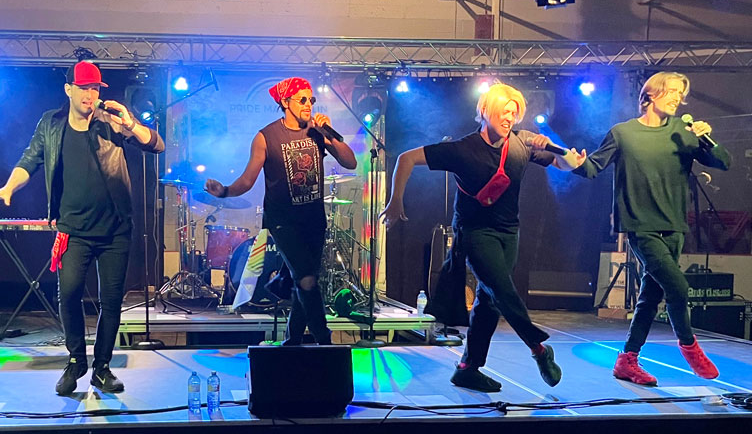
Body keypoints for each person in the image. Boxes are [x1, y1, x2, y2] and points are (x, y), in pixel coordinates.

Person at [380, 83, 585, 393]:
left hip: (509, 232)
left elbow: (565, 165)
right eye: (504, 111)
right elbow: (405, 159)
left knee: (488, 302)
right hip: (474, 232)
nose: (510, 117)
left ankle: (468, 368)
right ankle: (539, 349)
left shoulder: (522, 143)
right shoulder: (463, 149)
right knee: (502, 290)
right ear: (486, 111)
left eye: (514, 113)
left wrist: (563, 153)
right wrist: (396, 200)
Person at [0, 61, 164, 396]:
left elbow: (156, 144)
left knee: (111, 302)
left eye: (95, 88)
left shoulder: (111, 121)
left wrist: (131, 123)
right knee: (70, 294)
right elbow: (30, 160)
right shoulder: (51, 123)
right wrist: (8, 187)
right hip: (73, 230)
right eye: (84, 88)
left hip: (116, 230)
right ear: (69, 90)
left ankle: (102, 368)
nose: (90, 95)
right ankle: (76, 360)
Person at [573, 71, 731, 385]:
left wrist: (706, 139)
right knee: (678, 287)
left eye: (680, 94)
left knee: (649, 297)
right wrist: (571, 161)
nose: (677, 98)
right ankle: (689, 346)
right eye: (671, 91)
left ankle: (627, 360)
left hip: (674, 226)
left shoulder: (683, 131)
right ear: (651, 94)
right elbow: (592, 167)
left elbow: (724, 162)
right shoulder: (623, 133)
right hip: (640, 226)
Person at [204, 77, 357, 345]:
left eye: (311, 99)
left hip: (313, 220)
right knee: (307, 280)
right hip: (283, 221)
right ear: (285, 102)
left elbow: (350, 162)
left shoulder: (317, 132)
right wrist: (225, 191)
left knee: (304, 280)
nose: (308, 104)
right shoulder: (266, 137)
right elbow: (248, 180)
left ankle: (292, 340)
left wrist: (328, 133)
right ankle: (325, 340)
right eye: (302, 99)